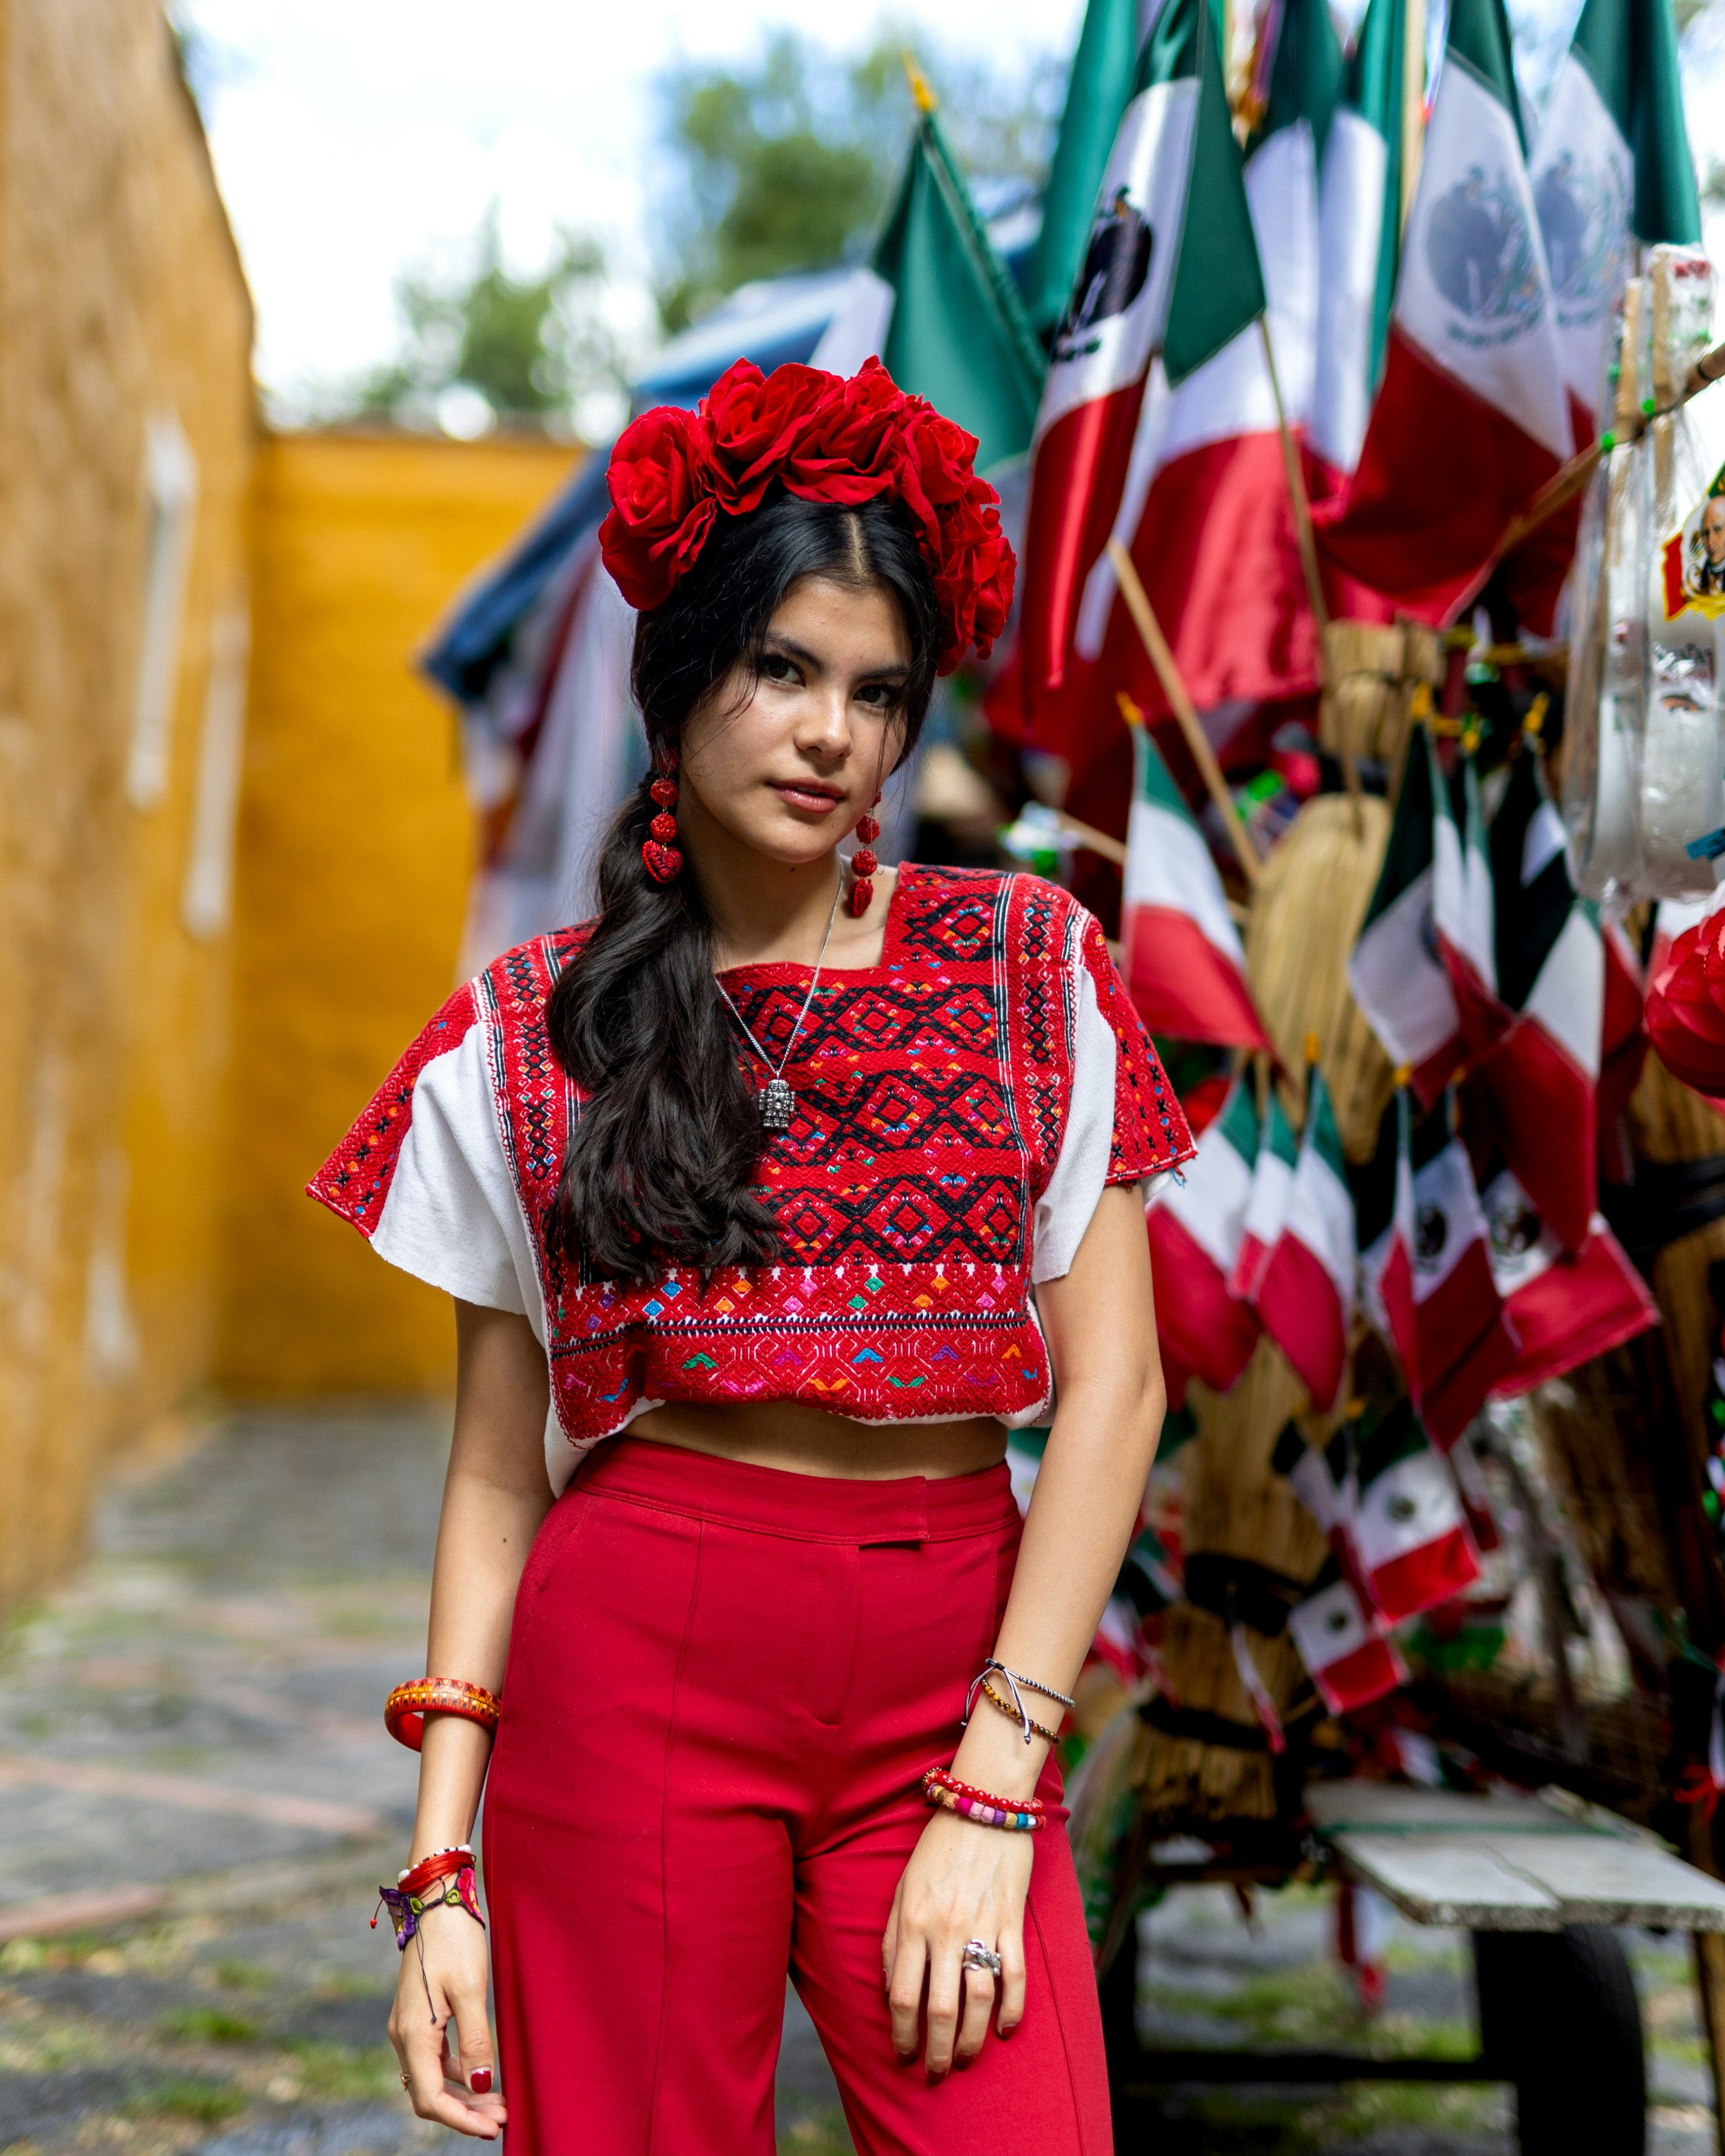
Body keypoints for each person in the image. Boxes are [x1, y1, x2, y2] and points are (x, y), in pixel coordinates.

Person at [311, 354, 1192, 2156]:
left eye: (876, 692)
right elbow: (497, 1476)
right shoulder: (526, 1032)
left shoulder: (1034, 968)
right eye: (781, 668)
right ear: (678, 676)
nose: (830, 734)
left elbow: (1116, 1388)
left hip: (956, 1660)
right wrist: (439, 1875)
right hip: (629, 1660)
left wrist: (998, 1789)